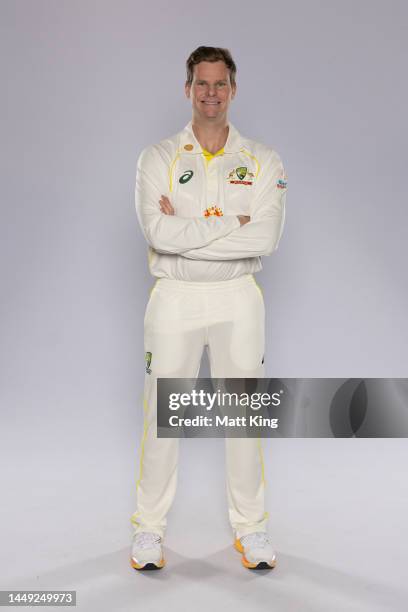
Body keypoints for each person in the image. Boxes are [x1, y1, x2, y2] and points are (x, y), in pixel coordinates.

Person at [130, 46, 288, 571]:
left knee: (243, 415)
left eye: (221, 84)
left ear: (234, 90)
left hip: (237, 297)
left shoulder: (263, 160)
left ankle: (252, 529)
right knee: (162, 417)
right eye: (202, 84)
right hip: (174, 296)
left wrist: (189, 233)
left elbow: (264, 239)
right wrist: (233, 226)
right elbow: (157, 232)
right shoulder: (158, 158)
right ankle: (149, 530)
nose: (211, 94)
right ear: (188, 89)